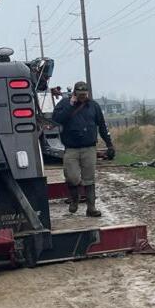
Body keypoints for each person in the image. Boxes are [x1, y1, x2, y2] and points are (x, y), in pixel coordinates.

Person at [52, 81, 115, 217]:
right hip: (71, 149)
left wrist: (109, 144)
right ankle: (74, 200)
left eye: (84, 94)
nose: (82, 97)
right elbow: (57, 119)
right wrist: (71, 105)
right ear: (74, 93)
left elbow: (102, 126)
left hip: (89, 148)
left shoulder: (94, 106)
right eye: (80, 94)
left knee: (89, 179)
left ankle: (91, 208)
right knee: (72, 177)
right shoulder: (64, 104)